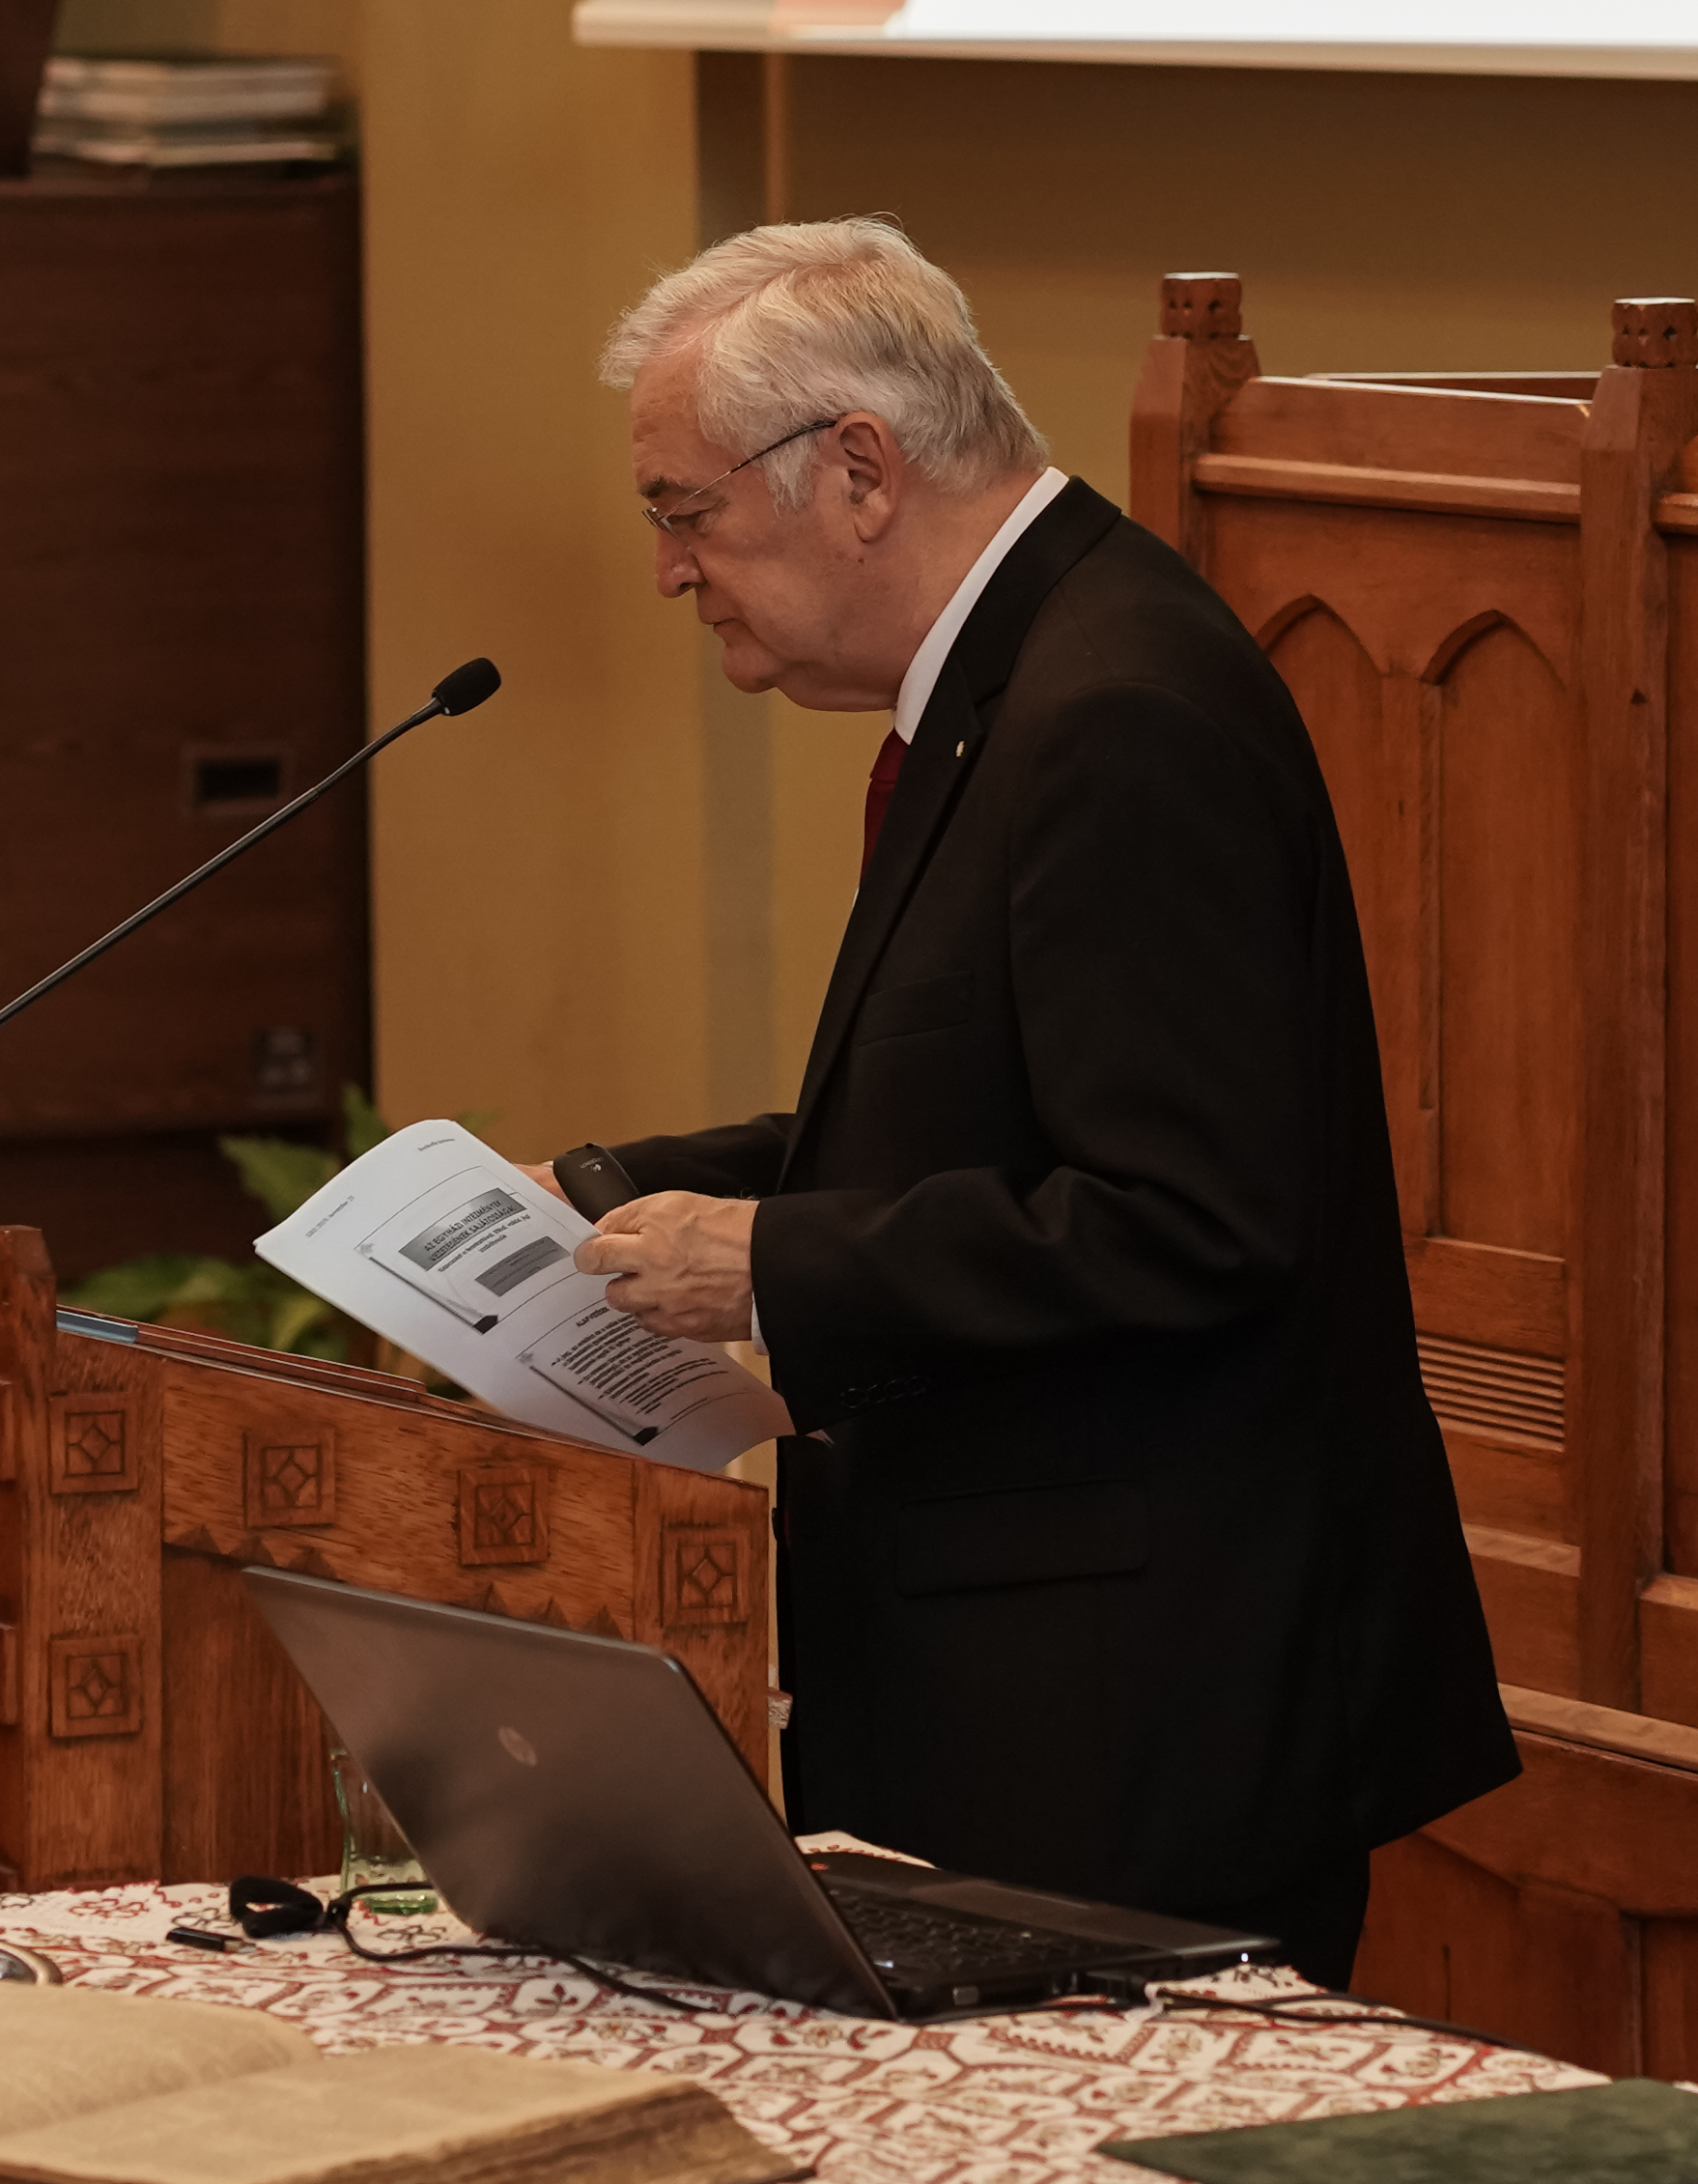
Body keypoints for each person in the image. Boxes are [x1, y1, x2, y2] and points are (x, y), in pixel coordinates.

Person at [529, 218, 1514, 1990]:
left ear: (858, 469)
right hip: (1054, 1676)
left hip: (1138, 1713)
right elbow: (968, 1120)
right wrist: (597, 1189)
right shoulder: (1025, 672)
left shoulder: (1117, 708)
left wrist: (767, 1265)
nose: (672, 573)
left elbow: (1188, 1217)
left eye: (684, 512)